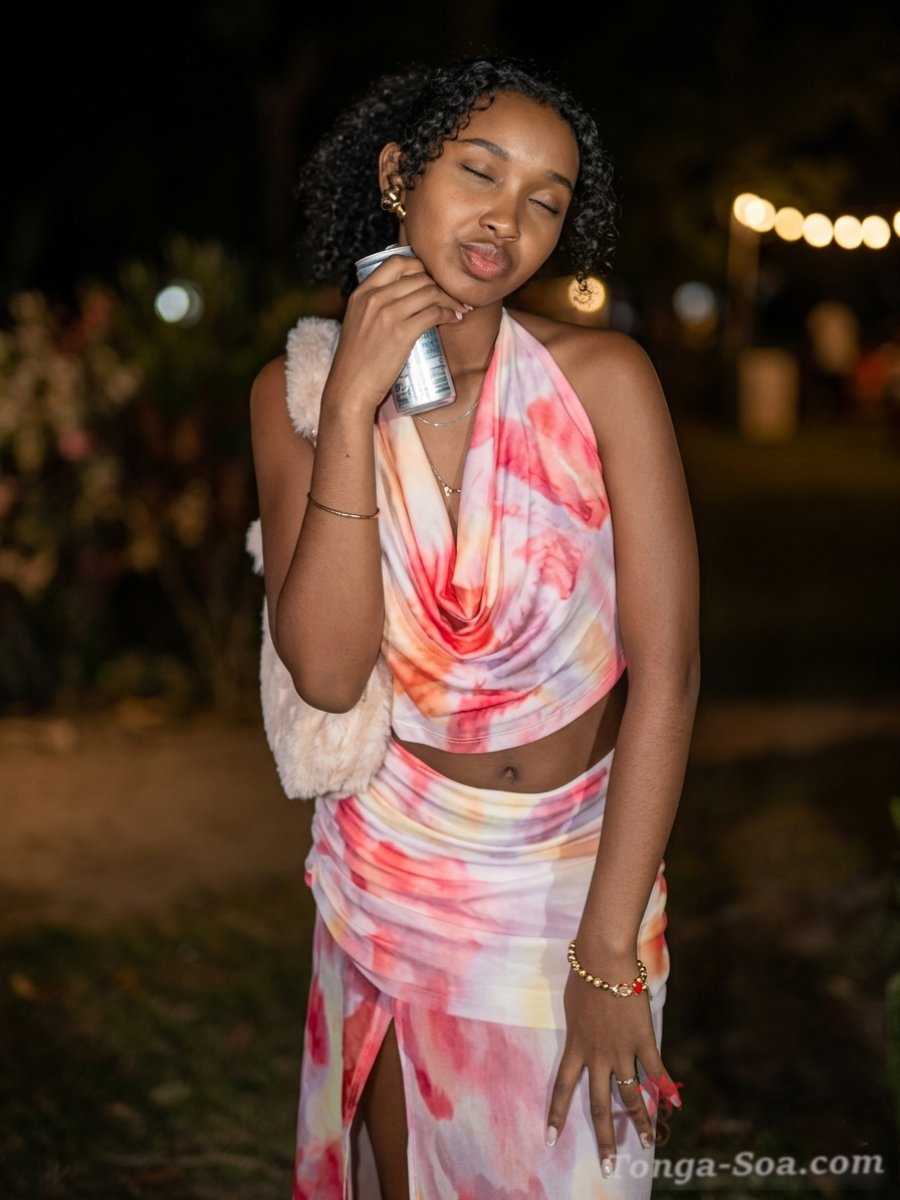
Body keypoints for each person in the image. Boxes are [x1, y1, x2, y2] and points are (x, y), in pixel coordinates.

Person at [250, 56, 699, 1200]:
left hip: (583, 873)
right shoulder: (295, 395)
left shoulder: (606, 380)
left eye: (547, 199)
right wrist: (351, 404)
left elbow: (671, 674)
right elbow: (329, 672)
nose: (508, 218)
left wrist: (607, 955)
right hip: (403, 875)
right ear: (399, 176)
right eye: (480, 173)